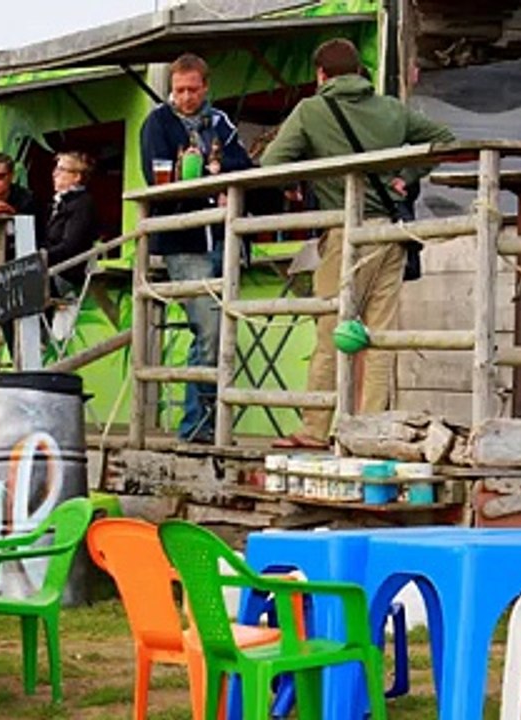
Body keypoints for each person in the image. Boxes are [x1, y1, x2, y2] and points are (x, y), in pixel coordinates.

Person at [259, 38, 455, 449]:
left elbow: (270, 166)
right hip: (390, 233)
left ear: (320, 75)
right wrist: (407, 176)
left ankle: (314, 428)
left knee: (332, 332)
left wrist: (306, 175)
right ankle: (370, 430)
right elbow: (445, 139)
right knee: (380, 336)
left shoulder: (312, 110)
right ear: (359, 73)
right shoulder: (390, 108)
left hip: (347, 235)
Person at [139, 53, 254, 444]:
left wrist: (220, 175)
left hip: (223, 235)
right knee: (208, 329)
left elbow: (245, 167)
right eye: (178, 89)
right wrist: (209, 177)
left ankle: (211, 426)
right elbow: (156, 179)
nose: (185, 96)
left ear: (205, 87)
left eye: (191, 89)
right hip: (183, 239)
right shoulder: (157, 121)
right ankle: (197, 429)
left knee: (221, 335)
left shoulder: (221, 122)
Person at [45, 151, 100, 292]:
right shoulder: (60, 202)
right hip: (50, 270)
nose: (54, 174)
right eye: (55, 168)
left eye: (61, 169)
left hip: (66, 273)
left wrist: (40, 257)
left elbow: (71, 246)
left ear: (77, 176)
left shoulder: (82, 203)